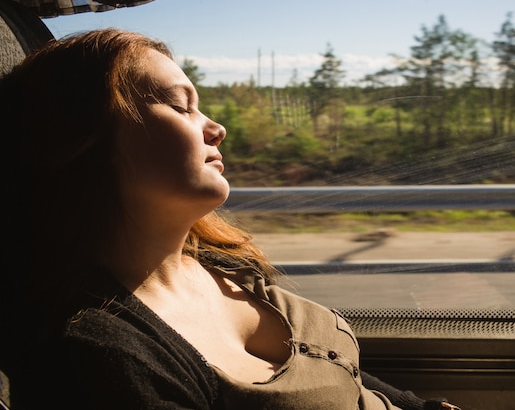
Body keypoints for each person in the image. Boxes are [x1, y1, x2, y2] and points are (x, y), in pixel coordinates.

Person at [0, 28, 460, 410]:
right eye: (182, 105)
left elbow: (347, 380)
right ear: (83, 139)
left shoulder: (223, 265)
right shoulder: (99, 358)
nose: (217, 128)